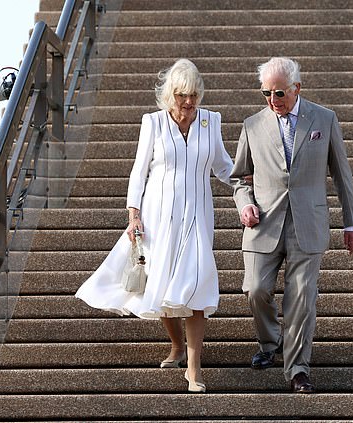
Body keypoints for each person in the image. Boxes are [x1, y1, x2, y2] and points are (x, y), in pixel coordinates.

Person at [76, 58, 234, 393]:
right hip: (158, 216)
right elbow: (139, 170)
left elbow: (223, 166)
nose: (188, 103)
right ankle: (177, 345)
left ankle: (194, 368)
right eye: (181, 96)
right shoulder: (154, 123)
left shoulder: (211, 122)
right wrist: (134, 216)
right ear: (169, 95)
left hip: (197, 216)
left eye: (193, 95)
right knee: (161, 284)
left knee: (196, 285)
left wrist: (250, 183)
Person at [231, 57, 353, 393]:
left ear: (296, 88)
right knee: (255, 289)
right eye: (266, 94)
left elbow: (342, 174)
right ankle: (270, 342)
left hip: (309, 221)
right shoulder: (252, 125)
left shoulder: (324, 118)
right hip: (263, 223)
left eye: (279, 93)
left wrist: (352, 224)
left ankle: (298, 369)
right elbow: (241, 178)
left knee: (302, 297)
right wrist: (245, 203)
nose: (273, 101)